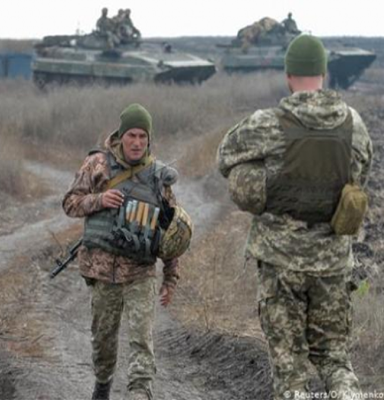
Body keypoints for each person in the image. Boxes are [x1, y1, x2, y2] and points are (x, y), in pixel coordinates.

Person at [217, 34, 372, 400]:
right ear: (325, 72)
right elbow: (358, 180)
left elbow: (225, 157)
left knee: (289, 371)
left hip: (279, 263)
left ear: (288, 75)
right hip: (333, 263)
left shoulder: (269, 124)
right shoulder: (355, 126)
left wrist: (263, 178)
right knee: (335, 359)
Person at [63, 104, 184, 400]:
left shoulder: (158, 178)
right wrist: (100, 200)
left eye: (143, 136)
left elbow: (171, 233)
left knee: (142, 339)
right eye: (132, 135)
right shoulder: (97, 165)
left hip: (141, 273)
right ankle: (102, 385)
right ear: (121, 136)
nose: (137, 142)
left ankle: (140, 392)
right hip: (102, 273)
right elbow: (70, 203)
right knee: (103, 342)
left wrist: (170, 278)